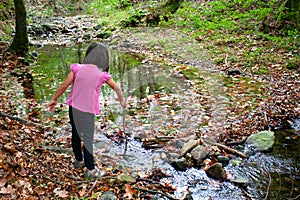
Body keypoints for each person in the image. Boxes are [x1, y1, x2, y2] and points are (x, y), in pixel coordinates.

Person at [48, 42, 126, 178]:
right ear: (103, 59)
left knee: (75, 134)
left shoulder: (77, 68)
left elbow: (64, 85)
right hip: (87, 112)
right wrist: (122, 100)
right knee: (88, 139)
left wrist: (54, 99)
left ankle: (78, 161)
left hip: (73, 109)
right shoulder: (102, 75)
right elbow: (117, 88)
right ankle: (90, 170)